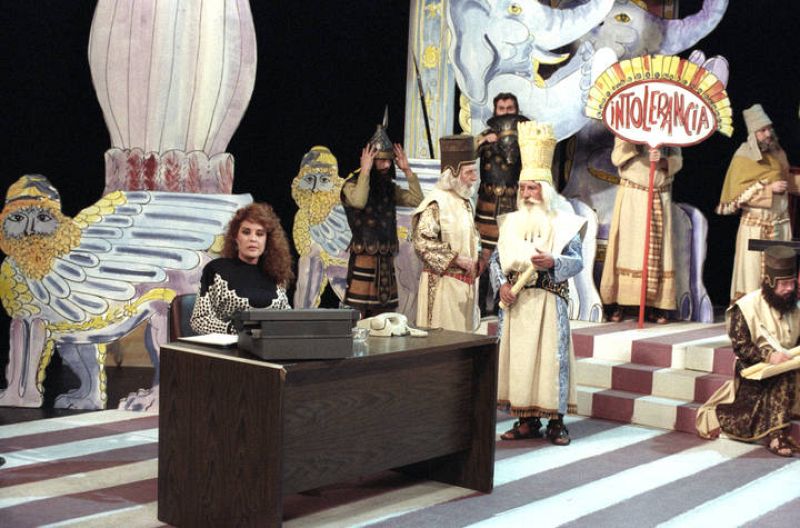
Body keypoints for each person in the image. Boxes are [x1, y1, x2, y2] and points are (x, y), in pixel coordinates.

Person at [491, 121, 585, 445]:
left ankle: (556, 423)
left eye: (533, 188)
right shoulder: (510, 223)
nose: (527, 194)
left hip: (548, 301)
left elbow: (577, 261)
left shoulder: (564, 223)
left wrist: (554, 262)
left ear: (545, 190)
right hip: (517, 305)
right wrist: (501, 285)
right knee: (521, 363)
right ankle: (526, 421)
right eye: (523, 188)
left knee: (549, 363)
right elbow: (496, 260)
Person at [697, 246, 800, 457]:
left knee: (789, 372)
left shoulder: (794, 308)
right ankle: (776, 436)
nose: (790, 288)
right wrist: (769, 356)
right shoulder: (746, 307)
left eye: (792, 283)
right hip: (755, 369)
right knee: (784, 377)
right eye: (784, 284)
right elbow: (741, 346)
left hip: (789, 363)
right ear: (770, 282)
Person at [341, 114, 423, 317]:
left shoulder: (388, 188)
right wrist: (365, 171)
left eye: (389, 161)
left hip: (385, 262)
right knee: (359, 314)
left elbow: (417, 200)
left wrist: (407, 170)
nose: (387, 166)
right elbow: (359, 201)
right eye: (382, 160)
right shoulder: (351, 185)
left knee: (384, 316)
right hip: (364, 259)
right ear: (371, 160)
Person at [717, 104, 794, 304]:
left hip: (780, 224)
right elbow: (736, 197)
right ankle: (751, 316)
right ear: (753, 134)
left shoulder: (778, 153)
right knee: (752, 277)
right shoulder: (744, 156)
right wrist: (768, 189)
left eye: (769, 128)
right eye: (762, 130)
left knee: (779, 275)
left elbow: (789, 181)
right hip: (756, 227)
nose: (768, 134)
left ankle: (777, 313)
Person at [600, 137, 683, 323]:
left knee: (660, 251)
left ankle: (655, 304)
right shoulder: (628, 126)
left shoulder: (670, 126)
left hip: (659, 193)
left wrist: (664, 162)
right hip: (633, 194)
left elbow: (678, 158)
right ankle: (619, 302)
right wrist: (635, 147)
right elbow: (616, 157)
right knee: (628, 249)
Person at [411, 135, 480, 332]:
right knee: (444, 340)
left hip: (463, 288)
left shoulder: (466, 201)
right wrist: (456, 259)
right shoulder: (437, 202)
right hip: (442, 286)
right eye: (469, 172)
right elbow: (422, 241)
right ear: (453, 173)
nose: (474, 178)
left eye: (474, 171)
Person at [190, 203, 293, 334]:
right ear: (236, 237)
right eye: (246, 232)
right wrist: (233, 330)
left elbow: (287, 318)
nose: (253, 239)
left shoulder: (275, 273)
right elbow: (199, 321)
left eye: (260, 234)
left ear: (267, 240)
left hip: (269, 344)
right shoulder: (216, 270)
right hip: (229, 345)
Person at [475, 92, 529, 268]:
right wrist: (484, 140)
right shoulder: (485, 135)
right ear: (495, 111)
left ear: (517, 110)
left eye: (510, 108)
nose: (505, 112)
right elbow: (467, 153)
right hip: (488, 201)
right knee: (484, 252)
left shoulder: (527, 134)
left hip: (514, 200)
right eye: (502, 108)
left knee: (511, 252)